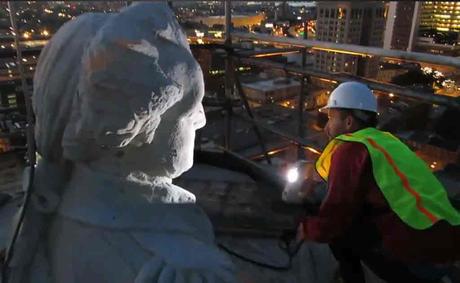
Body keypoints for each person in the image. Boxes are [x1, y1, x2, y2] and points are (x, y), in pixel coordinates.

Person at [6, 3, 235, 283]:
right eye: (188, 107)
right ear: (135, 130)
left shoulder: (48, 215)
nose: (201, 119)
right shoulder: (182, 268)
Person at [297, 81, 460, 283]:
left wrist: (307, 228)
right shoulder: (386, 141)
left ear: (348, 122)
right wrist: (313, 178)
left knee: (339, 231)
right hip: (446, 238)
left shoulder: (351, 150)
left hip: (420, 256)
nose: (327, 125)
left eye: (331, 117)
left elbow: (335, 217)